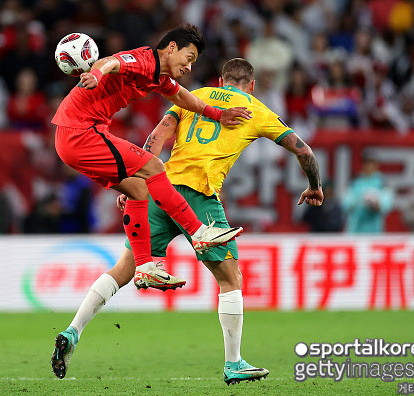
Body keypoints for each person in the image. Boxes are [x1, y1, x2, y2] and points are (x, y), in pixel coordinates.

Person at [51, 58, 324, 385]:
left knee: (124, 269)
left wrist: (134, 176)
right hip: (199, 196)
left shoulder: (194, 95)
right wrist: (315, 186)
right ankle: (233, 363)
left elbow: (158, 134)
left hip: (158, 191)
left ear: (221, 79)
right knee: (230, 279)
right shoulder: (256, 109)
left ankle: (73, 330)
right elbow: (304, 151)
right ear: (251, 85)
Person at [52, 24, 251, 290]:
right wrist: (98, 74)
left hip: (73, 139)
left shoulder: (158, 77)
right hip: (81, 132)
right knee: (154, 166)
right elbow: (110, 61)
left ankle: (145, 267)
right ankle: (199, 232)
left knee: (138, 189)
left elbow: (181, 96)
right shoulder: (144, 61)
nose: (189, 67)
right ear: (171, 48)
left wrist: (217, 114)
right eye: (188, 58)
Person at [342, 156, 393, 233]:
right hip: (356, 228)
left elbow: (387, 204)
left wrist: (377, 205)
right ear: (363, 165)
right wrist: (360, 200)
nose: (369, 167)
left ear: (376, 166)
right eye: (367, 164)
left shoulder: (382, 182)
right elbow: (346, 203)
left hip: (374, 229)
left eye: (372, 165)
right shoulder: (355, 181)